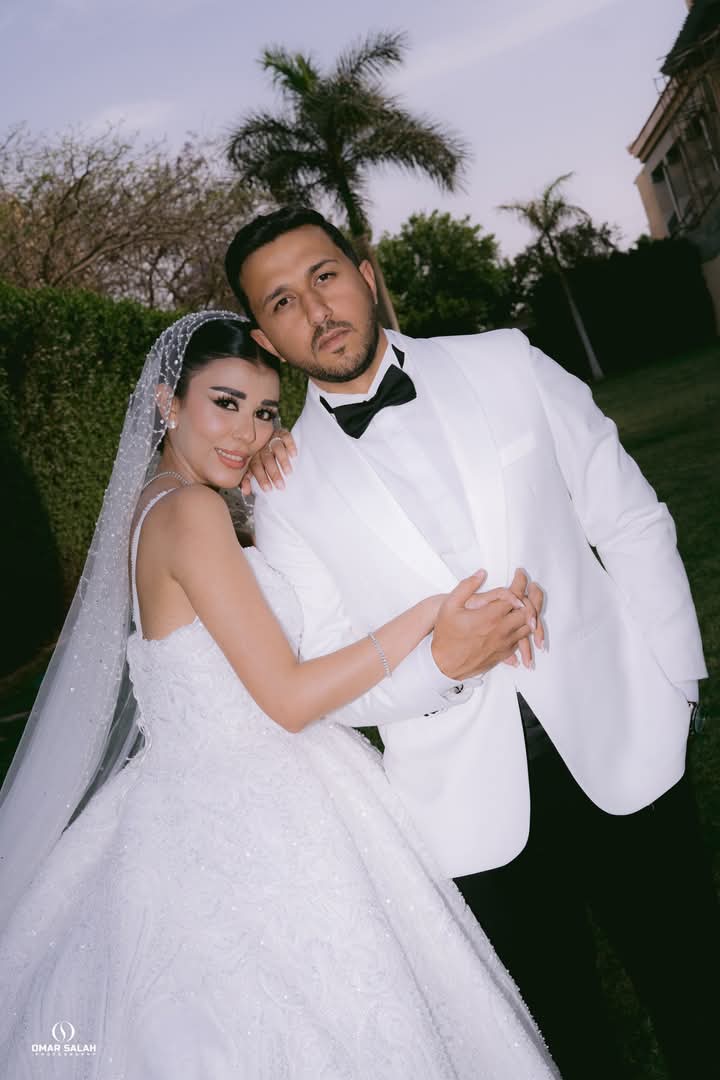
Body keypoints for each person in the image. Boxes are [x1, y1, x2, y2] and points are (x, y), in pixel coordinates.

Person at [225, 206, 720, 1080]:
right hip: (471, 818)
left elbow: (630, 517)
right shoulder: (285, 490)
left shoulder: (506, 361)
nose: (317, 310)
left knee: (697, 997)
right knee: (568, 1046)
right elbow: (326, 671)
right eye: (283, 301)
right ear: (266, 338)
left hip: (627, 737)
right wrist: (442, 668)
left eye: (325, 276)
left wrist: (678, 682)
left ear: (365, 274)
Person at [0, 311, 559, 1078]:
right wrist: (427, 615)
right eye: (225, 403)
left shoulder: (159, 503)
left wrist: (257, 470)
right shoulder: (191, 513)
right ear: (167, 402)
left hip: (194, 796)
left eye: (264, 412)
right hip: (259, 804)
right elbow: (289, 700)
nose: (249, 431)